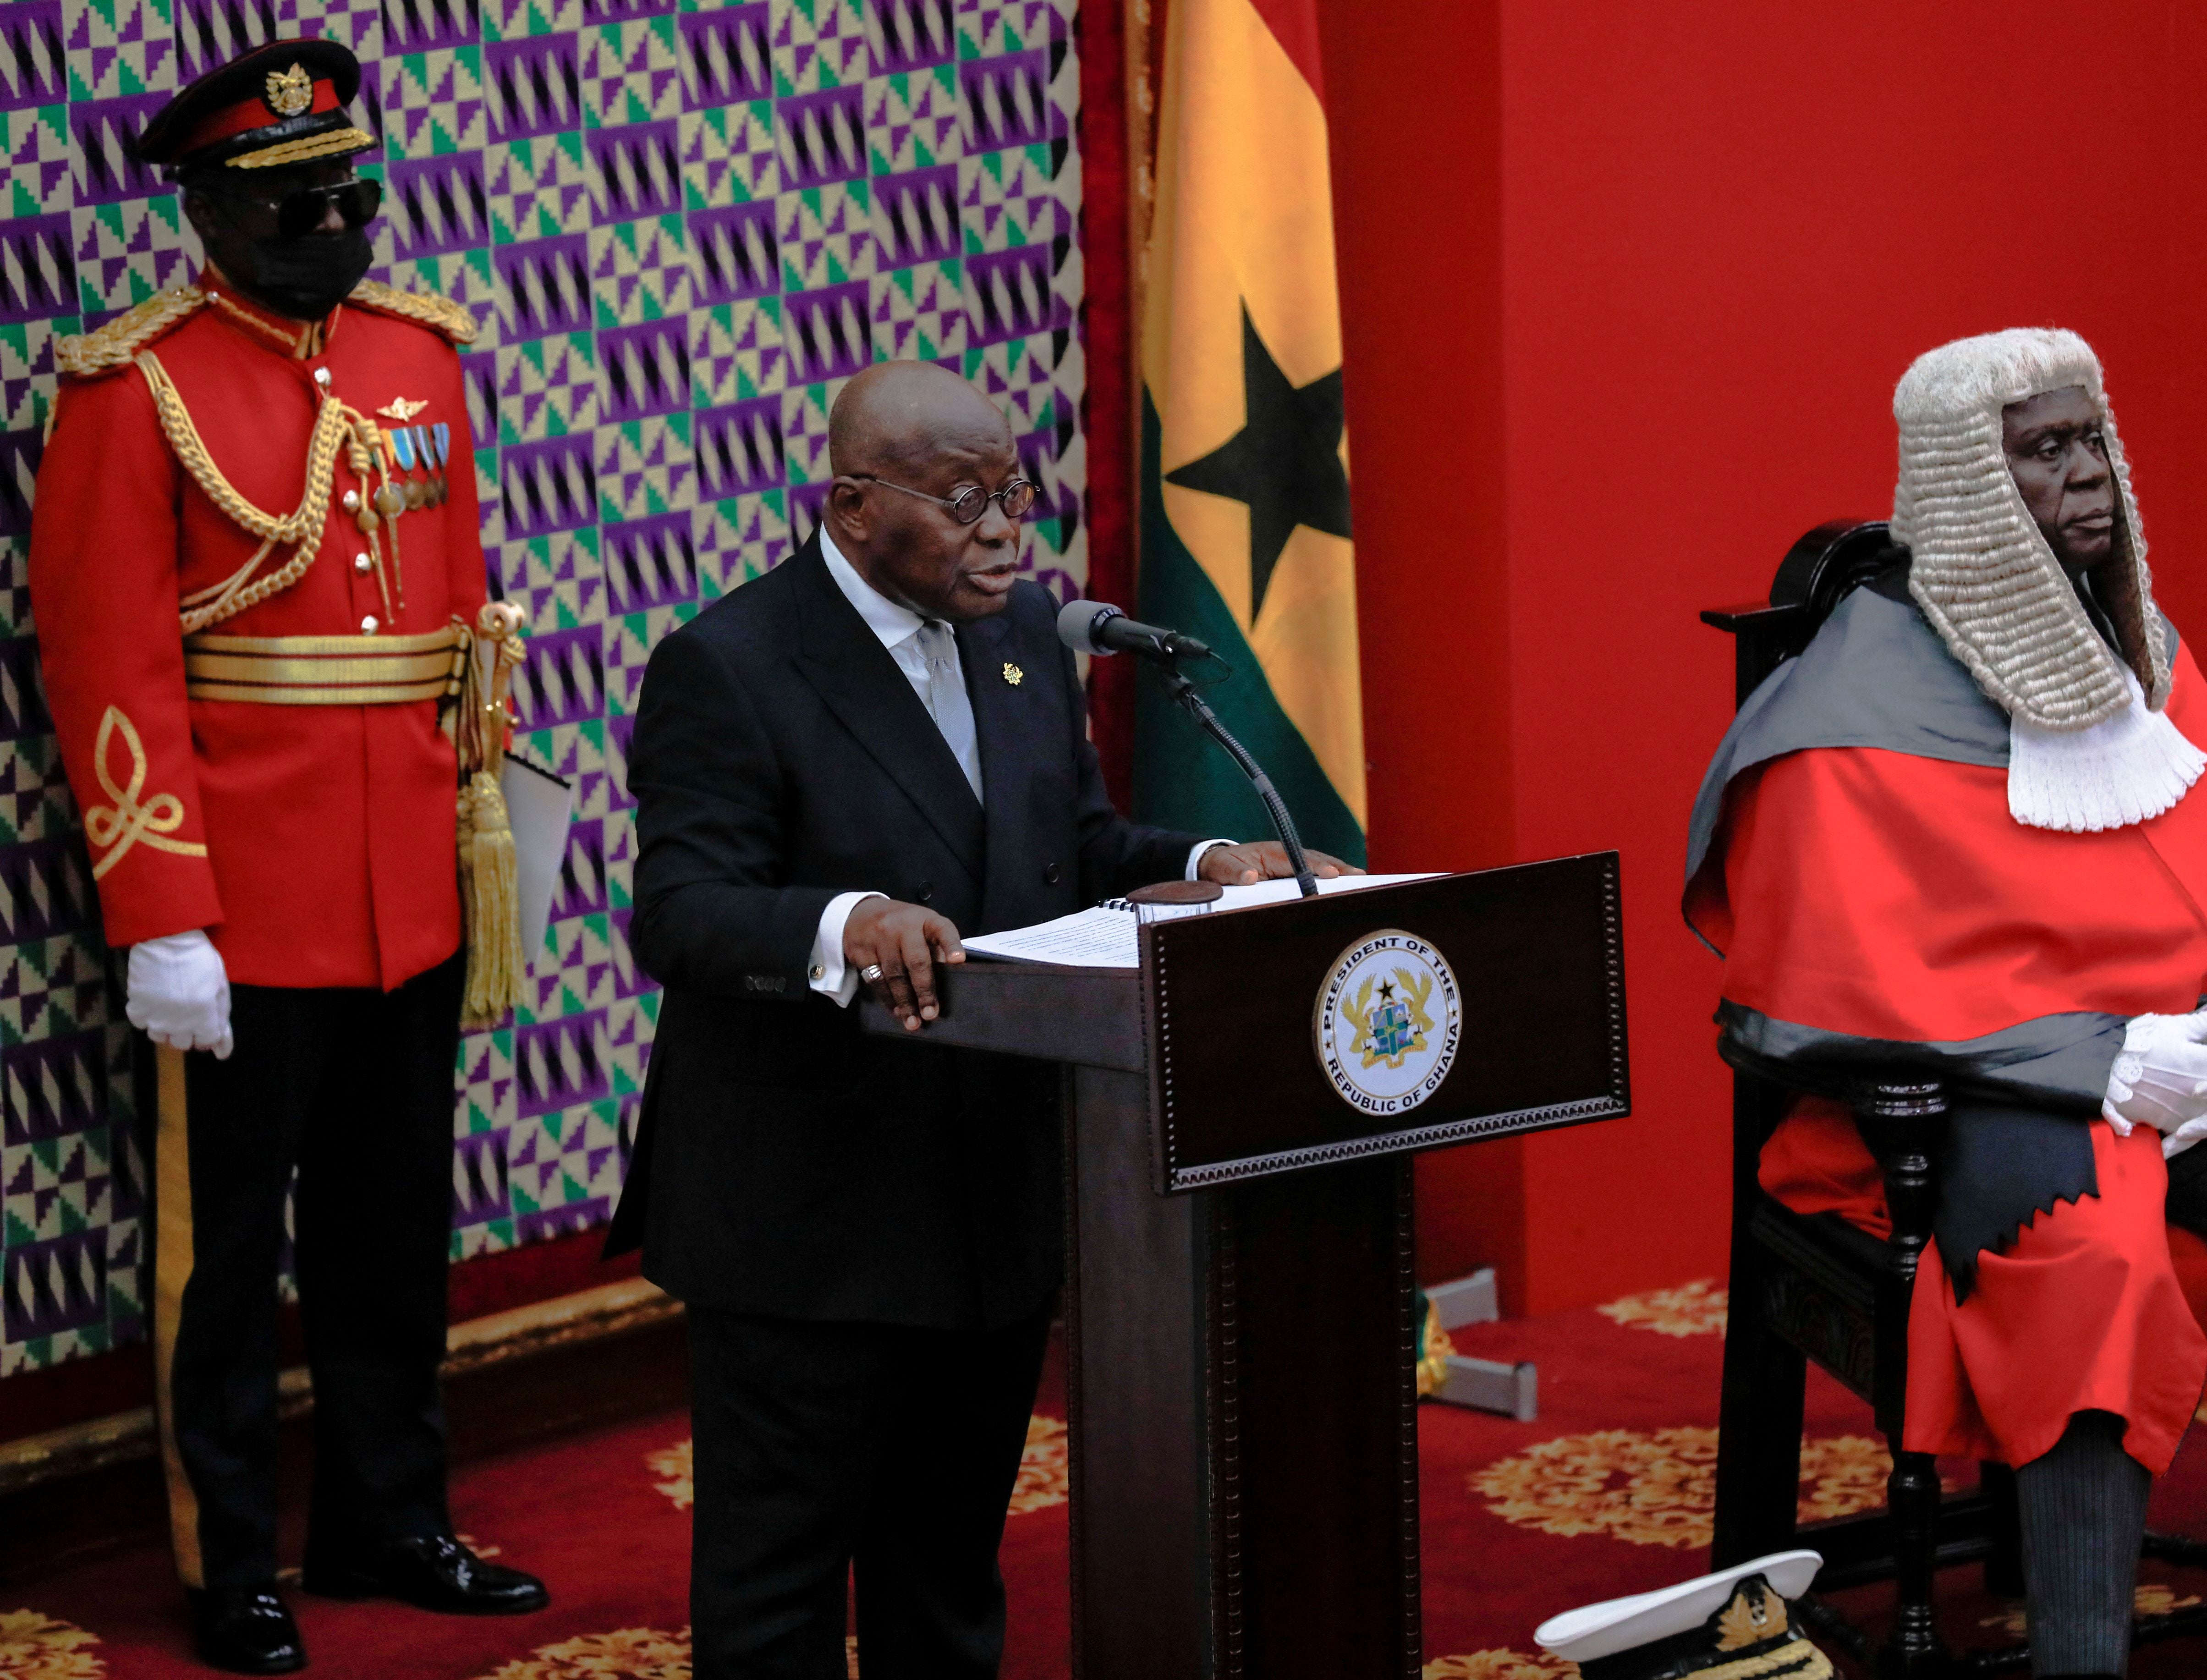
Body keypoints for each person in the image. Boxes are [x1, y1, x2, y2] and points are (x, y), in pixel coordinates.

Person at [1683, 328, 2207, 1679]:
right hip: (1987, 1098)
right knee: (2092, 1274)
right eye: (2041, 451)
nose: (2088, 477)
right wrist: (2106, 1063)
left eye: (2090, 442)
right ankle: (2082, 1661)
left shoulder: (2141, 651)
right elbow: (1822, 994)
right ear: (1963, 481)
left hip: (2201, 1072)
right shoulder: (1839, 712)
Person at [610, 358, 1353, 1679]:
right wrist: (848, 920)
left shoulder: (1019, 640)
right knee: (776, 1594)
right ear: (852, 508)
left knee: (945, 1571)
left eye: (1013, 491)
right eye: (964, 502)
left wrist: (1208, 860)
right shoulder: (729, 664)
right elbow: (680, 909)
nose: (1008, 531)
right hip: (807, 1226)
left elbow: (1069, 844)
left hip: (987, 1198)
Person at [26, 37, 549, 1676]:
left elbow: (461, 628)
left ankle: (391, 1514)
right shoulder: (137, 387)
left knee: (396, 1228)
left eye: (351, 195)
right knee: (228, 1249)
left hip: (413, 874)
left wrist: (484, 843)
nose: (334, 225)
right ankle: (229, 1550)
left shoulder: (420, 358)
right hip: (238, 895)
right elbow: (110, 664)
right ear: (208, 210)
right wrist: (161, 909)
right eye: (294, 204)